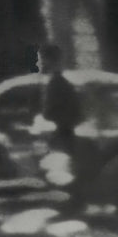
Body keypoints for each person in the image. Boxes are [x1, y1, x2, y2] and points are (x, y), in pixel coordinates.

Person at [39, 44, 83, 209]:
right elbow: (78, 113)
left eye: (43, 59)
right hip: (67, 132)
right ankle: (72, 203)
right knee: (65, 167)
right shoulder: (64, 83)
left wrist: (46, 118)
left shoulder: (55, 84)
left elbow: (48, 112)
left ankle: (67, 205)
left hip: (59, 133)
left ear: (50, 60)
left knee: (59, 169)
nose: (41, 63)